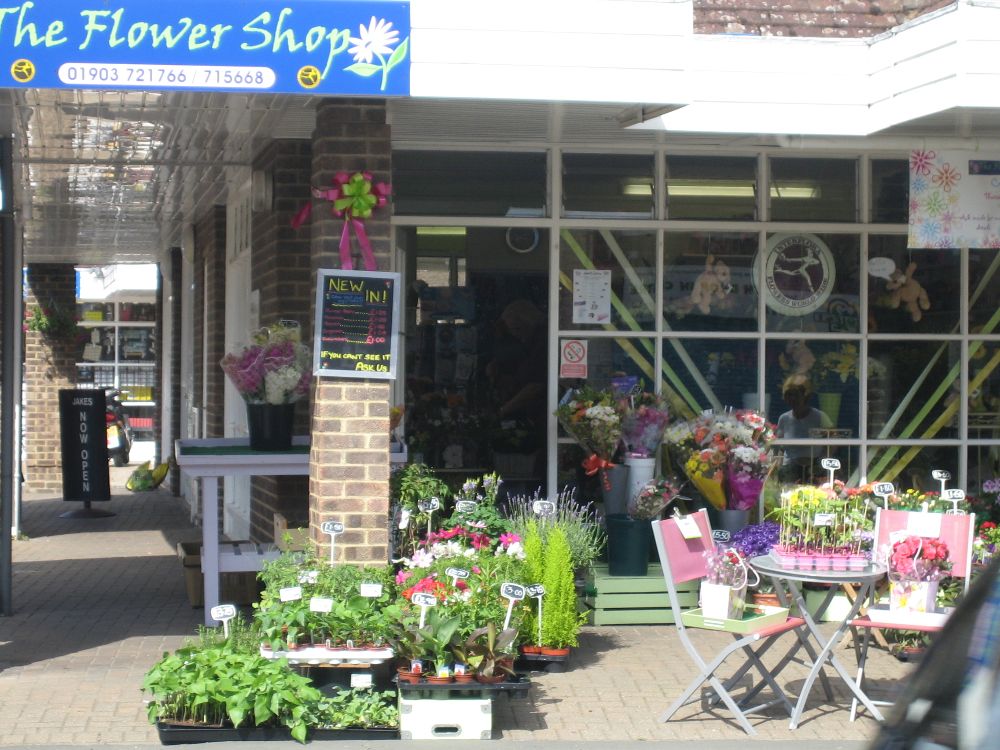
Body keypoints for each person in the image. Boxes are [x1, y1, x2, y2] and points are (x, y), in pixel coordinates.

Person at [775, 374, 832, 483]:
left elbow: (834, 440)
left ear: (805, 396)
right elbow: (780, 447)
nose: (792, 399)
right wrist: (777, 467)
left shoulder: (819, 417)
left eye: (795, 395)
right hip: (790, 468)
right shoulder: (784, 418)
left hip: (814, 468)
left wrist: (822, 460)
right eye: (788, 395)